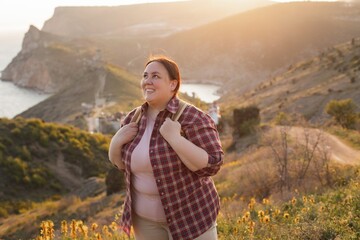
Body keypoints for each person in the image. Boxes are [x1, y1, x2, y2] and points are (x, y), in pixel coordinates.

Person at [108, 56, 224, 240]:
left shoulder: (193, 118)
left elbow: (212, 165)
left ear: (172, 84)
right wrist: (115, 142)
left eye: (155, 76)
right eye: (145, 76)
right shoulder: (133, 119)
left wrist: (175, 139)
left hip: (191, 220)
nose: (148, 81)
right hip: (145, 223)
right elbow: (121, 165)